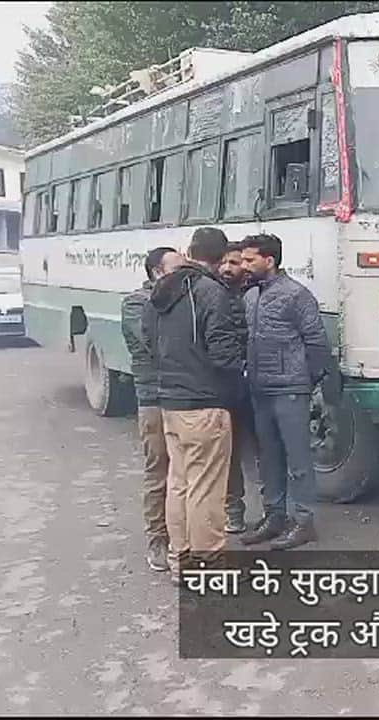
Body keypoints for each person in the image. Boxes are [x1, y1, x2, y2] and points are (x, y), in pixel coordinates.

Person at [142, 228, 244, 584]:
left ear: (190, 251)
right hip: (204, 404)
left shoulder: (160, 293)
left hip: (169, 402)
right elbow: (224, 355)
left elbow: (151, 345)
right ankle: (209, 566)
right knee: (206, 489)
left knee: (179, 484)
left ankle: (179, 561)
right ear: (218, 258)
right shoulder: (210, 292)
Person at [239, 233, 330, 550]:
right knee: (269, 458)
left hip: (291, 389)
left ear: (270, 260)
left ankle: (304, 522)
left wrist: (308, 379)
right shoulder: (251, 296)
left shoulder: (296, 295)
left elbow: (317, 342)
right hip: (259, 389)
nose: (244, 265)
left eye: (251, 259)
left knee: (298, 459)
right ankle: (274, 517)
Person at [120, 246, 181, 573]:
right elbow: (155, 345)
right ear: (156, 272)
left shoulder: (181, 301)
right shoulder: (136, 303)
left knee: (183, 474)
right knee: (159, 469)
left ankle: (182, 537)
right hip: (155, 399)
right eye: (175, 268)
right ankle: (158, 539)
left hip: (184, 397)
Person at [217, 241, 259, 535]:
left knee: (266, 450)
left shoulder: (259, 294)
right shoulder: (213, 296)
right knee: (229, 454)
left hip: (258, 385)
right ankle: (234, 511)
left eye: (235, 263)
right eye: (224, 263)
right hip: (228, 387)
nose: (228, 269)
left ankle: (276, 512)